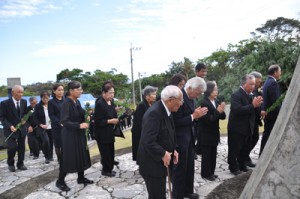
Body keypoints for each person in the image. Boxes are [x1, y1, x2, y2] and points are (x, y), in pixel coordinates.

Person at [137, 85, 181, 199]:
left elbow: (169, 133)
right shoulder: (154, 113)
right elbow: (147, 140)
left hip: (159, 163)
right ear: (170, 100)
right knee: (157, 196)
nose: (182, 103)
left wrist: (174, 149)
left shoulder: (167, 110)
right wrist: (162, 153)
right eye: (180, 100)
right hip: (151, 164)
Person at [172, 77, 208, 199]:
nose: (198, 96)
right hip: (180, 138)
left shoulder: (190, 98)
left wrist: (196, 115)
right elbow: (175, 121)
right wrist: (193, 116)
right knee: (180, 169)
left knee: (189, 167)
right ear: (190, 88)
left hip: (189, 137)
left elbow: (189, 116)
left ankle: (188, 191)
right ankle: (178, 195)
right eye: (198, 93)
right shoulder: (179, 97)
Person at [56, 81, 93, 192]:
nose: (81, 91)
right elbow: (64, 121)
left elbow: (81, 113)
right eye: (79, 89)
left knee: (81, 154)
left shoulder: (76, 102)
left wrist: (88, 115)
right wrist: (79, 125)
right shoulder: (66, 103)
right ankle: (60, 181)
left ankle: (81, 177)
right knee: (68, 158)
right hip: (69, 136)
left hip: (78, 134)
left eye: (81, 89)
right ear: (71, 91)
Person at [227, 75, 263, 175]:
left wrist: (258, 106)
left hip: (248, 127)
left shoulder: (251, 95)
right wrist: (253, 105)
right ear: (244, 84)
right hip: (237, 128)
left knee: (244, 148)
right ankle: (233, 167)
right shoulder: (236, 95)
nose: (253, 86)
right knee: (234, 149)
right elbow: (237, 110)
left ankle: (242, 165)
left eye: (254, 84)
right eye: (251, 84)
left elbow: (254, 112)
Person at [198, 81, 226, 181]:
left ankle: (211, 172)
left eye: (217, 89)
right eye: (214, 89)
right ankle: (206, 173)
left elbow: (222, 117)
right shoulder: (204, 103)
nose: (216, 91)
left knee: (213, 154)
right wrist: (218, 111)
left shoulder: (216, 101)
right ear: (209, 90)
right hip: (206, 134)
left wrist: (221, 110)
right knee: (206, 155)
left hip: (214, 133)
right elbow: (209, 120)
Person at [0, 85, 29, 172]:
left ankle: (20, 163)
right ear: (13, 93)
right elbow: (2, 117)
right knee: (12, 147)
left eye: (22, 92)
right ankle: (10, 163)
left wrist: (24, 119)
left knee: (22, 147)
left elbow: (24, 113)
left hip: (21, 129)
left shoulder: (24, 101)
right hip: (10, 130)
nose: (21, 94)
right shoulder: (5, 103)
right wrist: (10, 126)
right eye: (19, 92)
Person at [94, 81, 119, 177]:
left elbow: (111, 112)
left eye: (113, 93)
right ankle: (105, 170)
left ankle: (110, 168)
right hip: (102, 132)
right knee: (105, 153)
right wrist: (110, 121)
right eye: (110, 93)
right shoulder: (100, 103)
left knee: (111, 150)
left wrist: (115, 112)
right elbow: (98, 121)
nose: (112, 95)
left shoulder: (111, 102)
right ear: (103, 93)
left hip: (109, 131)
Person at [259, 65, 282, 156]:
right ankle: (263, 154)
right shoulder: (272, 83)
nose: (281, 73)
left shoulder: (267, 82)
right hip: (273, 115)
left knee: (267, 134)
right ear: (275, 72)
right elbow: (276, 102)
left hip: (269, 114)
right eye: (279, 71)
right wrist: (280, 114)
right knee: (268, 135)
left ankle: (263, 154)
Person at [131, 85, 158, 161]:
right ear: (147, 96)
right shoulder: (142, 106)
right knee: (141, 152)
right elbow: (141, 122)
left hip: (146, 132)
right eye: (153, 94)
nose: (155, 96)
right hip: (139, 133)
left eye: (155, 94)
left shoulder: (151, 104)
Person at [244, 71, 263, 167]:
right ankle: (244, 157)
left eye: (259, 83)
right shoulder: (248, 92)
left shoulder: (256, 90)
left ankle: (245, 156)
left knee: (254, 138)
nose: (258, 84)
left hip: (255, 119)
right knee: (250, 139)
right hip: (249, 120)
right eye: (257, 82)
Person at [33, 91, 53, 164]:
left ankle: (50, 156)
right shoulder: (38, 106)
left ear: (49, 97)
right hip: (42, 127)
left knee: (51, 141)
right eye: (44, 98)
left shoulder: (52, 104)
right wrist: (41, 125)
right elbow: (35, 118)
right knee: (46, 141)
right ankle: (47, 157)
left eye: (47, 98)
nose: (45, 100)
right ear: (41, 98)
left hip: (51, 126)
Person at [48, 84, 64, 162]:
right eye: (59, 90)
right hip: (56, 126)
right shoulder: (51, 102)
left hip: (66, 125)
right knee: (58, 144)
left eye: (62, 90)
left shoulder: (66, 100)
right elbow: (51, 115)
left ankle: (65, 158)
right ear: (54, 91)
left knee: (66, 143)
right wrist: (59, 122)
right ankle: (59, 158)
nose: (61, 92)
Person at [195, 63, 208, 156]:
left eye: (205, 71)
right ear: (197, 71)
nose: (204, 73)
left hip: (204, 110)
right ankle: (194, 149)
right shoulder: (193, 82)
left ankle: (199, 148)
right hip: (196, 110)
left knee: (202, 131)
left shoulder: (205, 83)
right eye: (202, 71)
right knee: (195, 131)